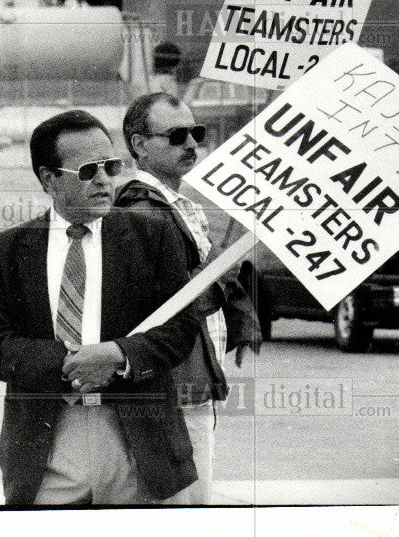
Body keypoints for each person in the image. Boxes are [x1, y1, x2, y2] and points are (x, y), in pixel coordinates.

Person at [0, 109, 203, 506]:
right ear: (49, 179)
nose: (103, 180)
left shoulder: (153, 235)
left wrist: (117, 356)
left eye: (111, 166)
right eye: (87, 170)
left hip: (139, 449)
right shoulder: (6, 251)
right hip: (46, 452)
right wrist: (69, 361)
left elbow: (181, 329)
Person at [116, 92, 262, 505]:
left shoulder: (178, 204)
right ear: (139, 145)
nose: (192, 145)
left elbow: (203, 277)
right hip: (174, 385)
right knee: (185, 507)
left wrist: (240, 319)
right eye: (177, 136)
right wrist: (219, 274)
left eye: (196, 133)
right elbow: (158, 307)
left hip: (191, 379)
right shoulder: (142, 209)